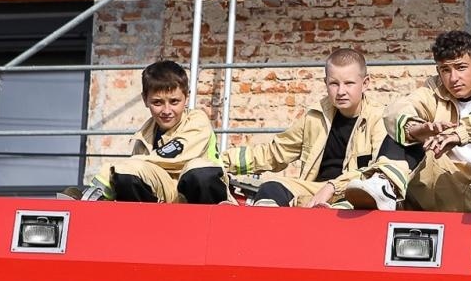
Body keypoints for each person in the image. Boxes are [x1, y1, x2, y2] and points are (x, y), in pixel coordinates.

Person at [342, 30, 471, 215]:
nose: (453, 78)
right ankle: (384, 185)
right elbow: (397, 109)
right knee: (405, 131)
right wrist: (416, 129)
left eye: (461, 67)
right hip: (443, 187)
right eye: (445, 70)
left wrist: (460, 134)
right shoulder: (433, 90)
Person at [223, 48, 386, 207]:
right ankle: (266, 226)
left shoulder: (379, 118)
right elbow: (275, 153)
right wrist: (221, 161)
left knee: (347, 203)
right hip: (313, 190)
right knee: (271, 187)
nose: (341, 91)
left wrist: (334, 187)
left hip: (352, 193)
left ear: (365, 83)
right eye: (334, 84)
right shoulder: (315, 115)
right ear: (325, 83)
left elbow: (377, 171)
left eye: (349, 83)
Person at [81, 59, 227, 205]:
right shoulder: (143, 136)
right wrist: (118, 174)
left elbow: (176, 156)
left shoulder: (198, 120)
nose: (166, 110)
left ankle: (209, 223)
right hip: (167, 198)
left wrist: (111, 171)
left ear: (186, 98)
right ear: (145, 99)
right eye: (157, 102)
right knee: (128, 172)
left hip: (201, 201)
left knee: (198, 170)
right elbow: (136, 171)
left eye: (174, 101)